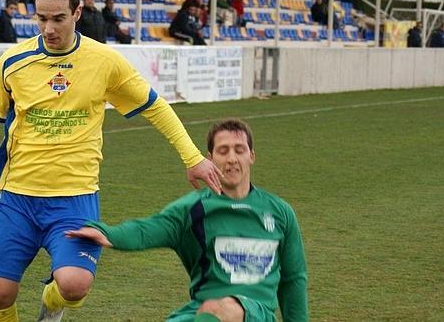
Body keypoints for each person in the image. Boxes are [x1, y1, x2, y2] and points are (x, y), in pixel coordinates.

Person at [0, 0, 222, 322]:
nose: (49, 28)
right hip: (17, 196)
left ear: (78, 12)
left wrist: (193, 158)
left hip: (74, 197)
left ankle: (52, 307)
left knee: (74, 284)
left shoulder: (104, 62)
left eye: (58, 18)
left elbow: (155, 106)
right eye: (41, 18)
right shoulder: (13, 63)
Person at [67, 118, 308, 322]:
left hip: (257, 312)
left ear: (251, 156)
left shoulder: (280, 212)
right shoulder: (193, 209)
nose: (232, 158)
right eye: (223, 151)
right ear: (210, 157)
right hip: (202, 311)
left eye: (239, 149)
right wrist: (107, 233)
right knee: (210, 310)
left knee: (220, 308)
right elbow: (149, 229)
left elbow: (293, 279)